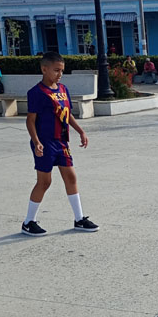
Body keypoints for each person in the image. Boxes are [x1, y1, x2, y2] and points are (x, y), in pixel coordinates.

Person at [21, 52, 98, 236]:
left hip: (61, 142)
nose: (59, 74)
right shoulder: (36, 92)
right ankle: (28, 221)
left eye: (62, 70)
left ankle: (79, 219)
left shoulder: (63, 89)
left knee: (71, 177)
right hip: (45, 143)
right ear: (44, 69)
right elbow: (30, 120)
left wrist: (80, 131)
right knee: (44, 182)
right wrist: (36, 141)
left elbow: (67, 114)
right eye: (56, 70)